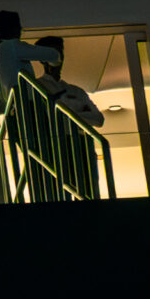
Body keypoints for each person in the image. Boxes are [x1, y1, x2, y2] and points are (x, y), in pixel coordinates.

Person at [31, 36, 106, 197]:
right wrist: (80, 112)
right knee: (60, 194)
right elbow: (47, 119)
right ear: (42, 58)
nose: (58, 57)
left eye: (60, 52)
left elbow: (98, 119)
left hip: (82, 147)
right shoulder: (35, 87)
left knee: (89, 194)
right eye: (53, 52)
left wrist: (65, 110)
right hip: (56, 147)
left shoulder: (76, 90)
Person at [0, 9, 58, 111]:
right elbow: (53, 54)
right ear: (12, 29)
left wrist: (13, 106)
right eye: (19, 27)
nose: (20, 31)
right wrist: (55, 64)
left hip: (17, 116)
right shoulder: (11, 46)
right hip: (31, 110)